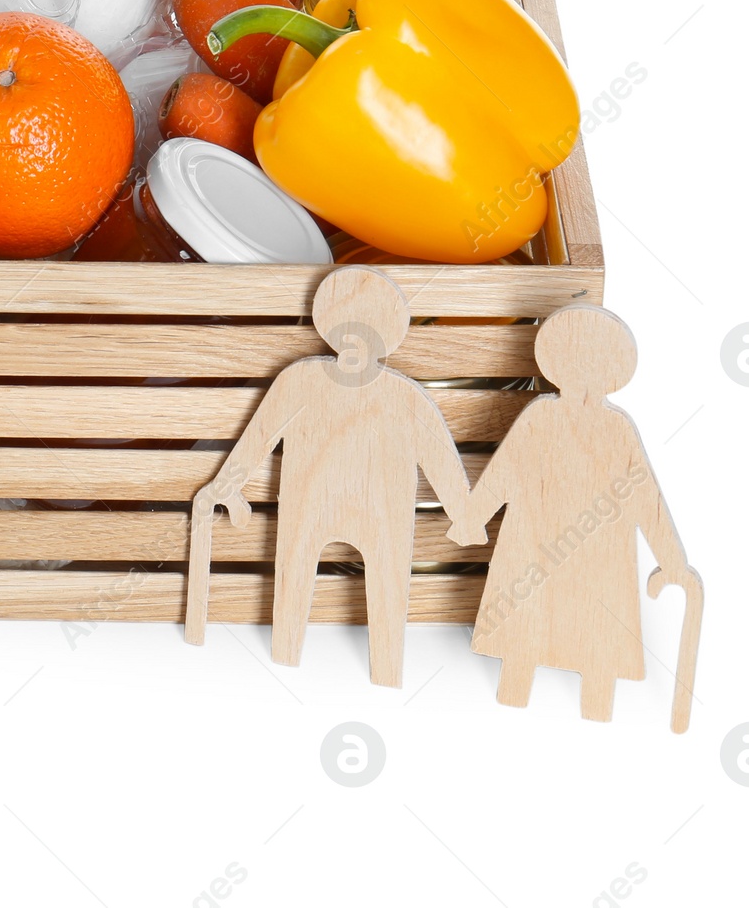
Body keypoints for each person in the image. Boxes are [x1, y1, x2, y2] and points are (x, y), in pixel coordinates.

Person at [193, 267, 473, 687]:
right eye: (347, 331)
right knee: (296, 570)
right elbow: (260, 436)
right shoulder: (302, 381)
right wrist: (227, 485)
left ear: (385, 340)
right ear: (329, 329)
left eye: (367, 334)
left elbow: (440, 458)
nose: (354, 345)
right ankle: (288, 650)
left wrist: (464, 514)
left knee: (386, 584)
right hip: (310, 501)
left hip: (380, 510)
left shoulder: (404, 396)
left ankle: (386, 667)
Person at [446, 304, 697, 721]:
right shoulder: (540, 417)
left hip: (592, 557)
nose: (582, 382)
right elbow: (505, 472)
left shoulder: (617, 430)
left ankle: (594, 705)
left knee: (593, 636)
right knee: (526, 632)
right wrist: (472, 517)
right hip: (539, 544)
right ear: (557, 366)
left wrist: (672, 560)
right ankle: (518, 691)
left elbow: (644, 497)